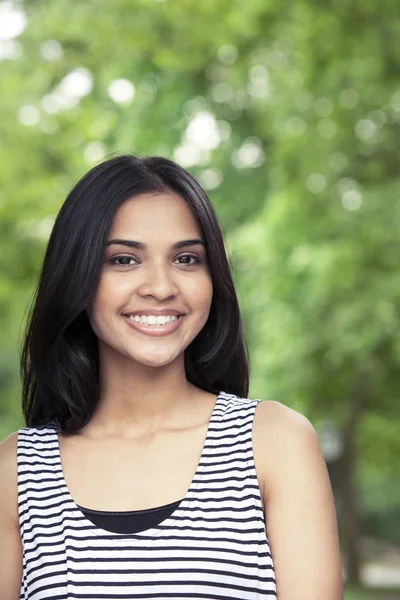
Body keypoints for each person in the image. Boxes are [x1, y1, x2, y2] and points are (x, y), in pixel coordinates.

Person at [0, 154, 343, 599]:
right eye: (123, 260)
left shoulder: (275, 443)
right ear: (78, 276)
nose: (161, 287)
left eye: (186, 258)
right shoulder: (17, 470)